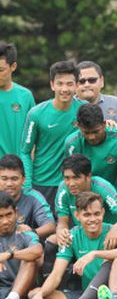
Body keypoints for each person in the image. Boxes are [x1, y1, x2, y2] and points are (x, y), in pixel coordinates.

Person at [20, 192, 117, 299]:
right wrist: (40, 294)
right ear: (77, 216)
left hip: (114, 293)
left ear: (103, 212)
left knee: (110, 260)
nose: (92, 219)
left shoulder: (112, 231)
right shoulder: (72, 236)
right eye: (87, 215)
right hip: (87, 293)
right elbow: (56, 274)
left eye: (96, 214)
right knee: (35, 292)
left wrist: (95, 254)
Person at [20, 60, 83, 210]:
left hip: (73, 184)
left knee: (68, 232)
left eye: (69, 84)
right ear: (52, 85)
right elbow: (25, 151)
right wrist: (28, 185)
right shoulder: (36, 114)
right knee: (41, 231)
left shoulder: (84, 110)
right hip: (42, 184)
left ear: (76, 85)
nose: (64, 89)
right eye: (60, 83)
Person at [55, 154, 117, 249]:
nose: (71, 184)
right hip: (83, 237)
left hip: (108, 237)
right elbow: (62, 222)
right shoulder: (63, 189)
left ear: (88, 176)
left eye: (76, 178)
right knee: (52, 241)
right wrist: (61, 230)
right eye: (67, 178)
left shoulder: (102, 187)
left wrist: (116, 228)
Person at [65, 103, 117, 203]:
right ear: (78, 126)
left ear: (104, 124)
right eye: (86, 133)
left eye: (96, 131)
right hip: (86, 199)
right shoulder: (72, 143)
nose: (91, 137)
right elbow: (72, 177)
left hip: (115, 195)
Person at [0, 192, 43, 299]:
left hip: (22, 291)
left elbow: (37, 251)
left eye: (9, 215)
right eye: (0, 216)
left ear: (16, 212)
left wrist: (9, 254)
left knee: (30, 258)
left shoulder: (26, 233)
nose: (5, 221)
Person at [0, 155, 55, 240]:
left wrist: (31, 233)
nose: (9, 184)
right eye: (4, 179)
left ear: (23, 179)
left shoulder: (33, 197)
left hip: (27, 245)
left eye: (14, 179)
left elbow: (50, 226)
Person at [0, 42, 35, 158]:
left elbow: (34, 136)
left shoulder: (25, 96)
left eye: (1, 70)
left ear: (13, 66)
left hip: (19, 169)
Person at [75, 61, 117, 126]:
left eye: (92, 80)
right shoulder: (68, 108)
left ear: (101, 81)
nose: (87, 85)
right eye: (81, 81)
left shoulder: (116, 104)